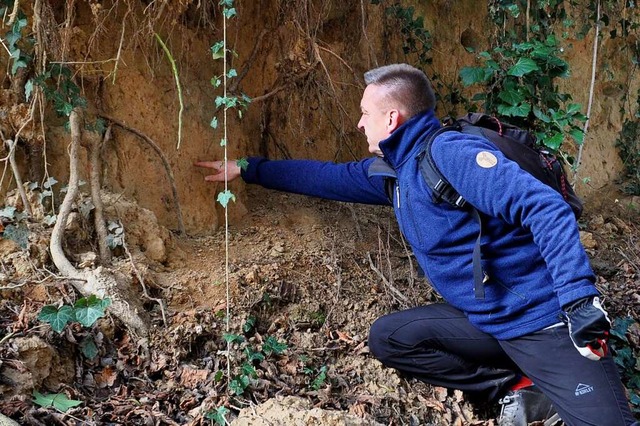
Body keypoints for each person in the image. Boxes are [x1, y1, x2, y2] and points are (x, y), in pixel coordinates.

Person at [195, 64, 638, 426]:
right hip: (486, 322)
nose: (358, 122)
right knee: (392, 338)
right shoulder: (396, 172)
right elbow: (325, 177)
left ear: (392, 119)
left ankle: (557, 378)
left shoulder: (450, 155)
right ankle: (519, 389)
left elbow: (544, 207)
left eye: (365, 113)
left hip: (541, 324)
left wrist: (580, 301)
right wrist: (248, 168)